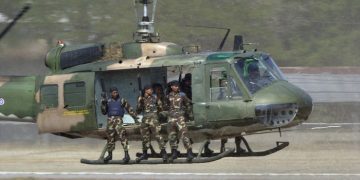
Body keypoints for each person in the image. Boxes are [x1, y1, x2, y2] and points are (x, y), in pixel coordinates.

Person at [101, 87, 138, 163]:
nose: (115, 94)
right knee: (110, 138)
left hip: (118, 120)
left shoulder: (122, 100)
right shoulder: (107, 101)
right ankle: (110, 155)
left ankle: (127, 155)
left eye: (116, 92)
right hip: (110, 121)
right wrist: (103, 104)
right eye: (114, 92)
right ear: (111, 93)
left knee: (123, 137)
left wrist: (135, 118)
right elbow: (104, 112)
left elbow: (129, 109)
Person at [136, 85, 168, 162]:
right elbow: (138, 111)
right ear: (146, 90)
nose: (151, 91)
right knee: (145, 137)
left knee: (158, 135)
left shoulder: (155, 98)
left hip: (154, 119)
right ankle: (145, 154)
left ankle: (164, 153)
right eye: (150, 89)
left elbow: (161, 108)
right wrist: (140, 102)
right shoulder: (141, 99)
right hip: (145, 119)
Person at [166, 80, 194, 162]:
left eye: (178, 86)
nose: (177, 87)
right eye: (175, 86)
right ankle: (174, 153)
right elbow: (166, 105)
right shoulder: (168, 96)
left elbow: (188, 104)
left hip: (180, 118)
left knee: (184, 134)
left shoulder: (182, 95)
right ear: (172, 87)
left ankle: (189, 152)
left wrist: (189, 115)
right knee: (172, 136)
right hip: (171, 118)